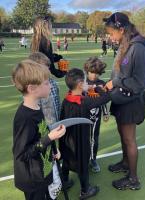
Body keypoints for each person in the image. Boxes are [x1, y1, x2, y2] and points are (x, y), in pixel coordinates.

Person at [103, 12, 145, 190]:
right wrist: (108, 83)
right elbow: (120, 73)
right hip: (120, 99)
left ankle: (133, 179)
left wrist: (115, 82)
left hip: (131, 102)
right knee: (123, 135)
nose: (110, 37)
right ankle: (125, 163)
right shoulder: (125, 44)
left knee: (129, 139)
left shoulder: (138, 48)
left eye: (111, 33)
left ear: (121, 29)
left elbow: (141, 82)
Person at [12, 59, 66, 200]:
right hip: (32, 178)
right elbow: (22, 154)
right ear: (32, 88)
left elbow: (40, 133)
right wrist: (50, 138)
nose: (51, 86)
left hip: (43, 169)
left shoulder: (36, 107)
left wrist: (53, 149)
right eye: (47, 83)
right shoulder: (25, 118)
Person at [59, 68, 111, 199]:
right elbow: (106, 97)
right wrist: (97, 87)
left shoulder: (66, 100)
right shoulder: (85, 102)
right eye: (86, 82)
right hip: (81, 140)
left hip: (66, 139)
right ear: (81, 84)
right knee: (82, 164)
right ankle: (85, 190)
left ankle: (64, 181)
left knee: (65, 160)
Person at [84, 57, 109, 173]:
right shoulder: (83, 84)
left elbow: (103, 99)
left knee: (94, 138)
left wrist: (105, 112)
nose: (94, 76)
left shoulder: (101, 84)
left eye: (97, 73)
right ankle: (84, 159)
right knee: (84, 138)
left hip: (96, 117)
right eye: (91, 72)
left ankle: (93, 159)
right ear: (87, 71)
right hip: (83, 116)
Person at [28, 52, 61, 125]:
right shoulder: (33, 89)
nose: (48, 71)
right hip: (44, 127)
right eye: (45, 69)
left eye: (48, 69)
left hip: (57, 122)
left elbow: (57, 103)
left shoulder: (52, 82)